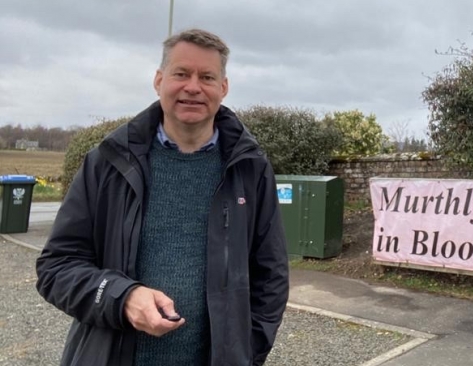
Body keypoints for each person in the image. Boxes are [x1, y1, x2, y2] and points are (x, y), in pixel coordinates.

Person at [36, 28, 289, 366]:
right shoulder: (108, 162)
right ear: (158, 80)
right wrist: (121, 297)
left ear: (223, 88)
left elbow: (270, 275)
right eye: (181, 74)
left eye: (207, 77)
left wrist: (247, 353)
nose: (193, 87)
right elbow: (56, 267)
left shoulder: (250, 169)